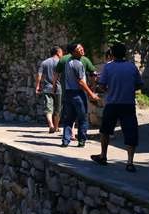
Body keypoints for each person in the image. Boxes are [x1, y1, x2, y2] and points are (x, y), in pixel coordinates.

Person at [91, 43, 143, 172]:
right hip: (128, 104)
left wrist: (108, 88)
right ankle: (130, 162)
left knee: (106, 130)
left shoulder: (108, 67)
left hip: (113, 103)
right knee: (130, 132)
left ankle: (103, 156)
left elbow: (102, 86)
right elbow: (139, 84)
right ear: (125, 54)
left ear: (112, 54)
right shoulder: (132, 67)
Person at [60, 43, 99, 148]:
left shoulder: (68, 62)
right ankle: (81, 140)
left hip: (68, 93)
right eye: (78, 49)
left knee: (69, 119)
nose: (82, 49)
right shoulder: (78, 64)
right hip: (77, 93)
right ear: (73, 52)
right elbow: (81, 82)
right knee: (82, 118)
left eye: (81, 47)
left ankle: (65, 141)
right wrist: (91, 93)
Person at [35, 46, 64, 133]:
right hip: (59, 88)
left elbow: (39, 75)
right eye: (62, 52)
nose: (62, 54)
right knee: (58, 109)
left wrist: (37, 86)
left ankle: (50, 125)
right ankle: (56, 127)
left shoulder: (44, 62)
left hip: (47, 88)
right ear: (58, 52)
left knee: (48, 108)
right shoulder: (61, 63)